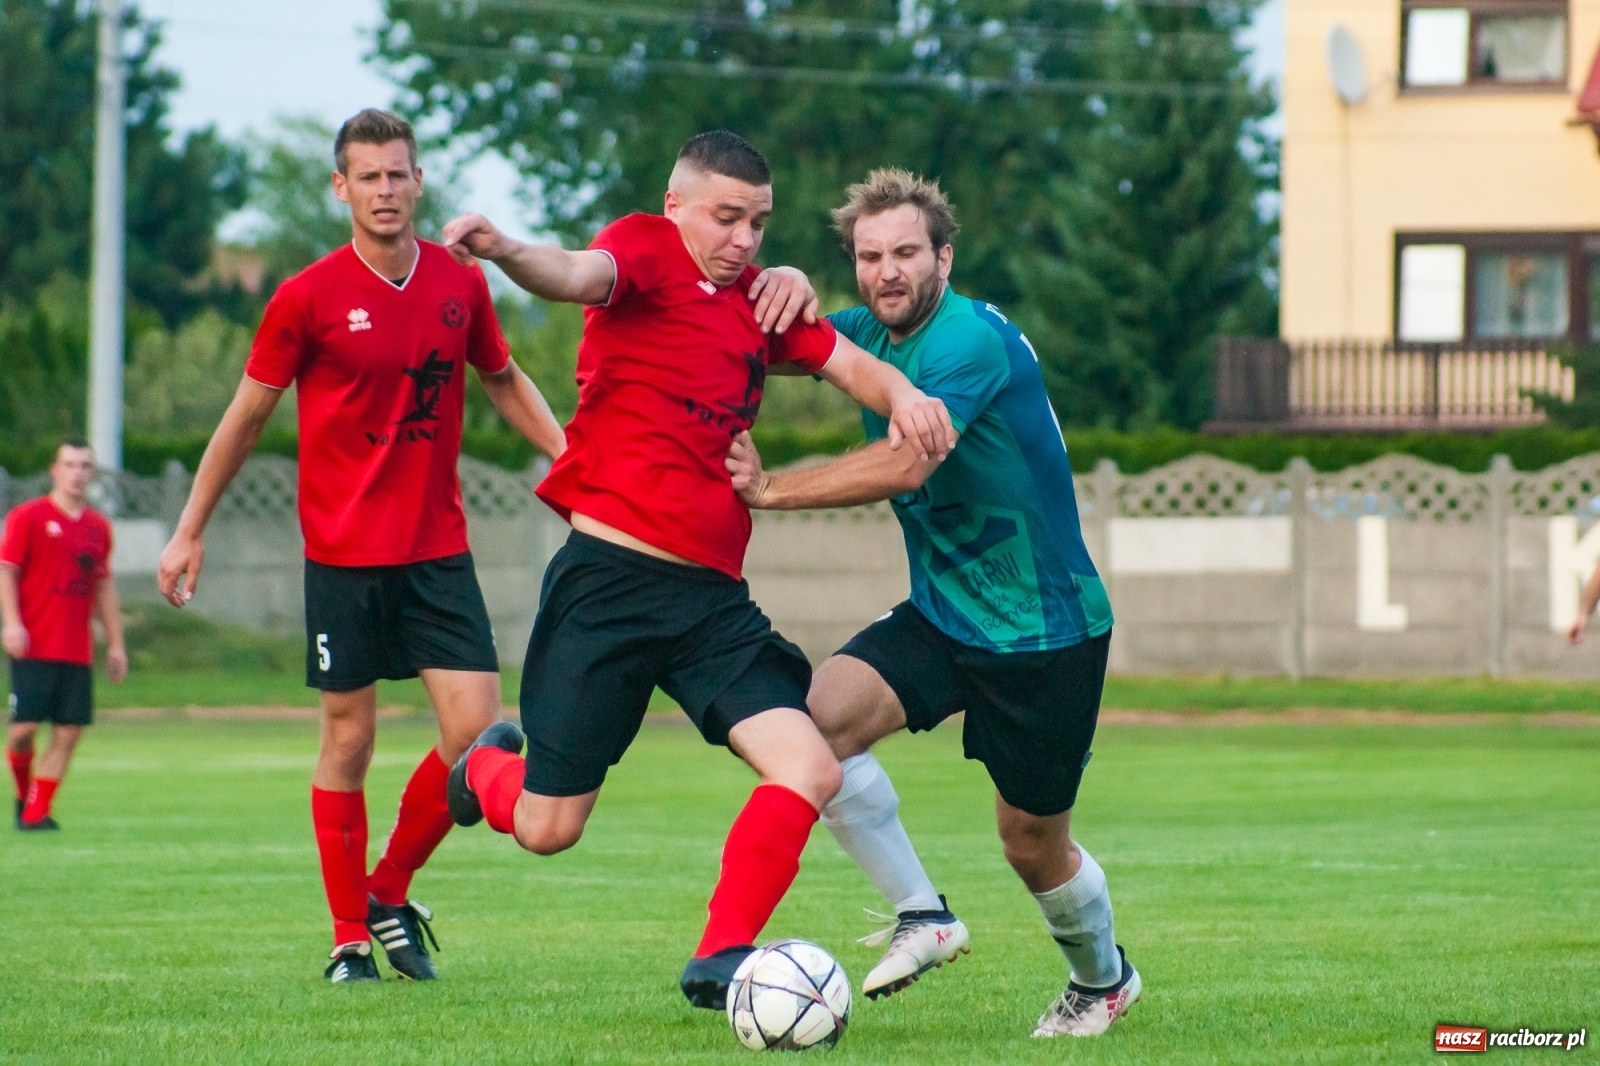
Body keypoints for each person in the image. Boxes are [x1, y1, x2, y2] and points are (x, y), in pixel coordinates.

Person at [438, 131, 956, 1010]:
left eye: (759, 223)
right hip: (605, 587)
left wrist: (905, 397)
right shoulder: (641, 248)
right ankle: (485, 769)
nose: (744, 240)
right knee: (547, 827)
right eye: (727, 218)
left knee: (809, 765)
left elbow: (850, 364)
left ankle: (721, 957)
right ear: (676, 206)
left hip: (712, 606)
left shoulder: (761, 298)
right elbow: (573, 274)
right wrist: (502, 250)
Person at [155, 109, 573, 984]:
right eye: (369, 176)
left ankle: (390, 890)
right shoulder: (305, 297)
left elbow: (501, 379)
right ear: (340, 187)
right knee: (348, 745)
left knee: (483, 739)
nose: (386, 190)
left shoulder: (462, 283)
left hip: (436, 553)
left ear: (420, 182)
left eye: (399, 173)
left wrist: (571, 461)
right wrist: (190, 528)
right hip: (342, 558)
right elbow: (247, 418)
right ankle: (350, 936)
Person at [725, 169, 1137, 1038]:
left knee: (1031, 844)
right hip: (944, 615)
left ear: (943, 256)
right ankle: (923, 914)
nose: (888, 271)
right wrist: (782, 285)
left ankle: (1101, 981)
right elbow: (756, 341)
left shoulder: (967, 342)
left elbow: (910, 460)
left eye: (907, 252)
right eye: (870, 257)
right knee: (812, 730)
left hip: (1043, 633)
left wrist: (772, 491)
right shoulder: (868, 334)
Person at [3, 437, 127, 831]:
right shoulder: (28, 517)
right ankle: (23, 792)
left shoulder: (97, 528)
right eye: (70, 465)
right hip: (34, 643)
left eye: (85, 466)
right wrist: (11, 622)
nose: (77, 473)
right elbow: (7, 571)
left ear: (92, 474)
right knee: (23, 730)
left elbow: (104, 586)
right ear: (54, 471)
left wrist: (117, 643)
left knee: (69, 732)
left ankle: (37, 812)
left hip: (75, 648)